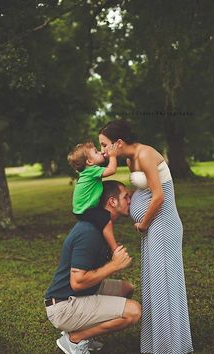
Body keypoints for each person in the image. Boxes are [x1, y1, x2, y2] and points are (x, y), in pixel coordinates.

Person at [99, 119, 193, 354]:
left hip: (162, 224)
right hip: (153, 226)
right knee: (155, 280)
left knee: (164, 281)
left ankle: (170, 344)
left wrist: (144, 223)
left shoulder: (146, 154)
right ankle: (158, 340)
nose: (103, 150)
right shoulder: (130, 158)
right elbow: (145, 189)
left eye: (104, 145)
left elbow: (159, 196)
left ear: (118, 142)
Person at [44, 180, 141, 354]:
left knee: (126, 288)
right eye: (126, 197)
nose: (130, 201)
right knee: (133, 311)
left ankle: (83, 334)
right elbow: (77, 282)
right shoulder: (89, 233)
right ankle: (75, 339)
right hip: (64, 306)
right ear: (112, 201)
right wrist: (114, 265)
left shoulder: (102, 228)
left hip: (79, 295)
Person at [67, 141, 119, 253]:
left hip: (81, 209)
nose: (100, 152)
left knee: (101, 219)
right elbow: (112, 170)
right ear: (90, 161)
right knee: (107, 219)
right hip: (85, 210)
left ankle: (105, 244)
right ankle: (114, 248)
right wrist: (113, 156)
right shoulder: (91, 171)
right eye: (96, 152)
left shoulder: (88, 171)